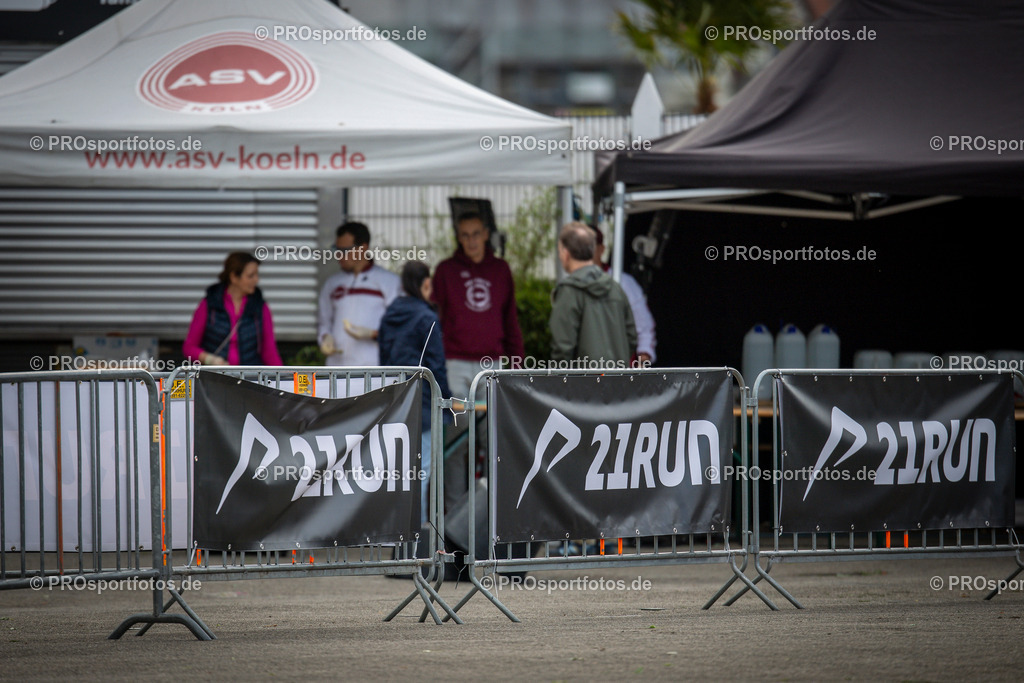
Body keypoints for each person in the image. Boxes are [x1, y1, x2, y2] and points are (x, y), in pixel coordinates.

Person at [378, 261, 450, 527]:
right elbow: (437, 365)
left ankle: (397, 533)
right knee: (422, 471)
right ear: (425, 284)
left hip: (395, 400)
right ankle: (416, 536)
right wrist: (447, 399)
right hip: (425, 403)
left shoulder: (389, 315)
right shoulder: (426, 317)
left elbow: (383, 360)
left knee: (398, 471)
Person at [432, 211, 524, 397]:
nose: (471, 241)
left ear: (485, 235)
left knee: (491, 416)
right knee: (455, 415)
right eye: (465, 235)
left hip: (492, 361)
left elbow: (510, 320)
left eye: (475, 234)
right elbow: (433, 319)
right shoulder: (445, 270)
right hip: (454, 362)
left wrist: (517, 365)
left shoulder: (501, 270)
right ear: (459, 238)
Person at [550, 222, 637, 365]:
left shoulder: (569, 291)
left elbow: (562, 347)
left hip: (585, 378)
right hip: (618, 376)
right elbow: (632, 337)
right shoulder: (616, 288)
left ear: (566, 254)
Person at [317, 221, 401, 366]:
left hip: (374, 368)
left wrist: (373, 334)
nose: (339, 255)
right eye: (337, 249)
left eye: (345, 250)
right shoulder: (332, 284)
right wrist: (325, 338)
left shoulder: (390, 282)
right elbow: (324, 322)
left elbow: (399, 327)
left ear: (363, 248)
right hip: (336, 367)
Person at [183, 251, 283, 366]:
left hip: (248, 375)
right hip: (215, 374)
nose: (256, 280)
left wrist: (283, 374)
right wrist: (210, 359)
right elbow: (189, 348)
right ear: (234, 277)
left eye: (257, 275)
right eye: (251, 276)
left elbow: (269, 352)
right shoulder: (209, 305)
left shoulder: (260, 307)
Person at [590, 224, 657, 366]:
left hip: (618, 370)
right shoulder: (570, 285)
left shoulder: (623, 283)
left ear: (601, 249)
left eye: (590, 246)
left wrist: (642, 365)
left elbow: (644, 329)